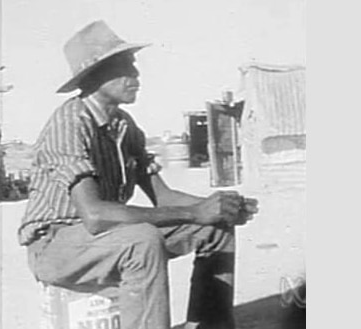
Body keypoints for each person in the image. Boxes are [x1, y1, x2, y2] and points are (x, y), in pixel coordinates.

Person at [18, 20, 258, 329]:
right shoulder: (70, 124)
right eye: (125, 67)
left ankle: (213, 325)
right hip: (56, 245)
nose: (136, 75)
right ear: (95, 75)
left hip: (105, 237)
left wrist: (217, 206)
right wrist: (193, 211)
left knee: (214, 226)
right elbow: (94, 216)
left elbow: (163, 196)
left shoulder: (123, 125)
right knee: (141, 240)